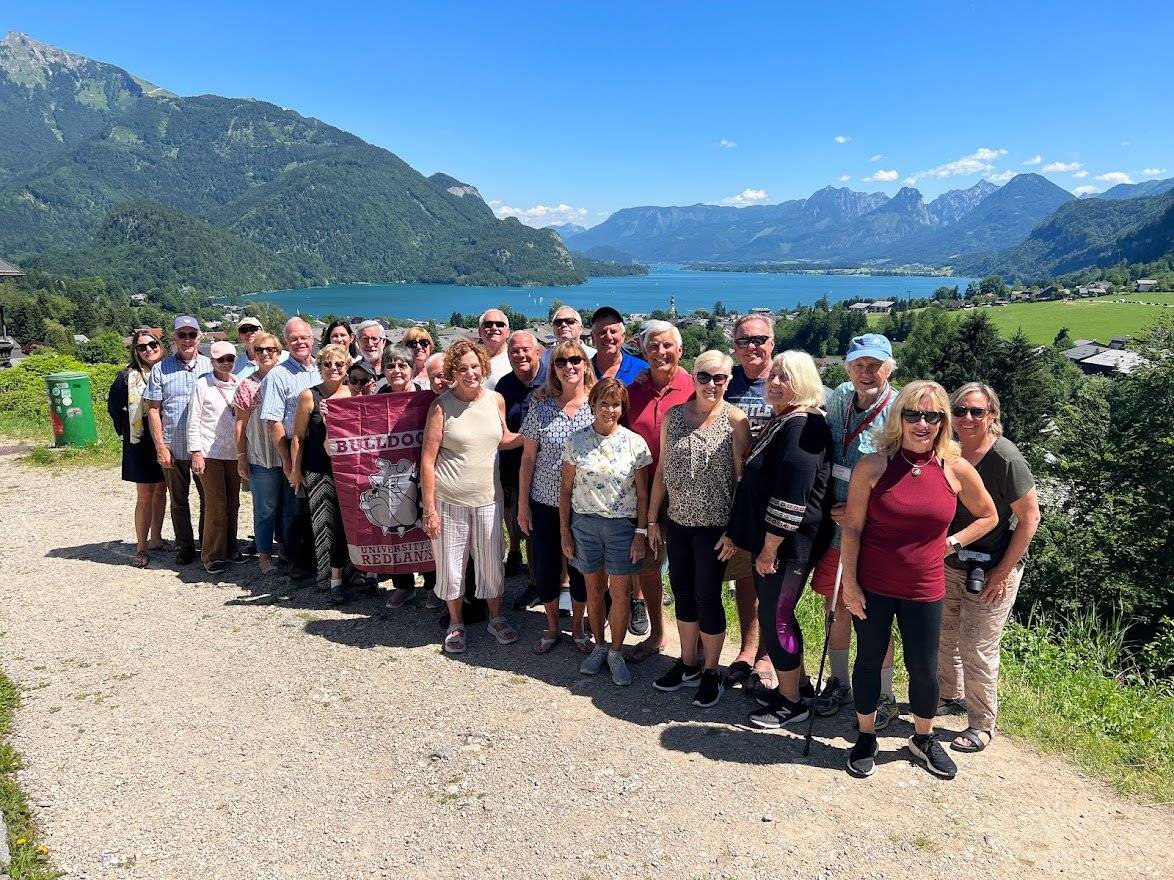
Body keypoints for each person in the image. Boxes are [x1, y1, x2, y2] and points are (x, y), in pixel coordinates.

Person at [839, 380, 997, 780]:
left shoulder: (954, 468)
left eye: (932, 416)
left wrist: (953, 543)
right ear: (900, 417)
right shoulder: (873, 465)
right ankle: (866, 736)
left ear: (943, 422)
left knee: (924, 668)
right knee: (869, 660)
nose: (922, 424)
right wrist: (849, 584)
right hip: (873, 584)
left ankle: (923, 738)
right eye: (914, 414)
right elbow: (852, 529)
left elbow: (989, 515)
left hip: (925, 588)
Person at [719, 351, 833, 727]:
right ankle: (797, 685)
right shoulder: (786, 419)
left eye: (786, 376)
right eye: (774, 376)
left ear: (804, 382)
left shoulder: (803, 425)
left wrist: (769, 548)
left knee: (775, 618)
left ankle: (790, 702)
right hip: (779, 542)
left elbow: (792, 494)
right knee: (777, 615)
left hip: (788, 545)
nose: (776, 382)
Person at [938, 383, 1040, 754]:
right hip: (951, 559)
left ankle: (982, 724)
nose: (967, 418)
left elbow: (1030, 518)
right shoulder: (947, 451)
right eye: (960, 410)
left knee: (976, 645)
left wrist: (1003, 571)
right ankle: (947, 695)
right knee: (944, 634)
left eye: (977, 412)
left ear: (992, 415)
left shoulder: (1005, 458)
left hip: (994, 566)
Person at [647, 350, 751, 707]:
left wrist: (734, 531)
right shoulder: (674, 416)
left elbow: (742, 482)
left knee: (707, 596)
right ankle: (688, 662)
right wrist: (651, 519)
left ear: (728, 381)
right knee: (682, 592)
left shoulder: (735, 420)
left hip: (715, 527)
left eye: (719, 378)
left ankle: (710, 670)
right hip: (677, 522)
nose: (711, 384)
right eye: (704, 376)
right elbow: (662, 470)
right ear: (693, 377)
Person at [813, 333, 901, 726]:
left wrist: (859, 508)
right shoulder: (840, 399)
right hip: (833, 530)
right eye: (859, 365)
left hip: (874, 534)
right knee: (835, 607)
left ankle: (884, 695)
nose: (867, 372)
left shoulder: (900, 410)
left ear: (889, 368)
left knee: (872, 615)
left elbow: (905, 476)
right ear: (848, 368)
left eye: (875, 365)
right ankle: (839, 683)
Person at [420, 340, 519, 654]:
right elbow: (427, 460)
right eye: (462, 368)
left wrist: (533, 437)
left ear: (483, 367)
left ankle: (496, 618)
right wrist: (429, 509)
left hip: (489, 499)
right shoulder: (441, 406)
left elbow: (502, 438)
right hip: (449, 501)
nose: (470, 373)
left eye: (475, 366)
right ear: (453, 372)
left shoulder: (495, 400)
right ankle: (455, 623)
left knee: (491, 563)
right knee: (451, 566)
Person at [561, 378, 652, 686]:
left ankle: (616, 652)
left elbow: (643, 494)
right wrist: (565, 532)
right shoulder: (576, 441)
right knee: (594, 589)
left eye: (615, 404)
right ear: (593, 405)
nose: (609, 410)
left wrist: (640, 533)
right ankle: (599, 645)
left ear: (622, 408)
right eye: (603, 403)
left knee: (621, 592)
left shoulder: (635, 444)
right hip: (584, 524)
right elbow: (565, 490)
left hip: (622, 527)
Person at [621, 319, 695, 661]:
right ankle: (658, 635)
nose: (661, 352)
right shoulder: (632, 391)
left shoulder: (694, 387)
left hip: (686, 492)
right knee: (649, 566)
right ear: (643, 351)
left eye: (667, 345)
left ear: (680, 350)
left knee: (687, 569)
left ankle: (694, 643)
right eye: (653, 346)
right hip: (643, 491)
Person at [518, 339, 596, 655]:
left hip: (585, 504)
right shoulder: (541, 407)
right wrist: (523, 504)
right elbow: (527, 459)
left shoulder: (598, 405)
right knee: (547, 567)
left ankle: (577, 627)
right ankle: (552, 627)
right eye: (561, 362)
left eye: (575, 360)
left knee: (580, 569)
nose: (569, 367)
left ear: (585, 365)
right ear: (553, 369)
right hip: (545, 502)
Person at [721, 314, 777, 691]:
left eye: (759, 339)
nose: (752, 346)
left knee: (772, 575)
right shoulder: (726, 382)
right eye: (744, 341)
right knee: (744, 575)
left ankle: (768, 656)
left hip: (776, 497)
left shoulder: (786, 380)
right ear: (735, 347)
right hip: (737, 496)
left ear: (772, 343)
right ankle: (747, 648)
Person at [144, 316, 212, 566]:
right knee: (178, 501)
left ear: (199, 337)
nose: (187, 340)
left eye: (191, 334)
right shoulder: (161, 369)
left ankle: (207, 543)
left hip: (204, 447)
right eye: (182, 335)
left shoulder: (211, 365)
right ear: (174, 338)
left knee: (209, 499)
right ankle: (185, 546)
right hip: (173, 445)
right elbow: (154, 410)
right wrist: (161, 447)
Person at [379, 344, 440, 611]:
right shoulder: (377, 397)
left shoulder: (425, 397)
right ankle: (403, 585)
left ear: (413, 368)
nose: (396, 370)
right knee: (396, 527)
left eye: (402, 365)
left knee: (425, 527)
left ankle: (432, 585)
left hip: (422, 472)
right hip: (391, 474)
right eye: (390, 365)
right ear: (383, 370)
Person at [290, 344, 353, 601]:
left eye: (339, 364)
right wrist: (295, 471)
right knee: (324, 524)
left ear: (346, 367)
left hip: (349, 471)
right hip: (318, 469)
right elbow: (298, 436)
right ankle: (327, 577)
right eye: (327, 364)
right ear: (320, 367)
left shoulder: (354, 393)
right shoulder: (309, 396)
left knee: (349, 525)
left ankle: (353, 573)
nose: (333, 368)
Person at [260, 318, 321, 580]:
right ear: (286, 342)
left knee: (318, 505)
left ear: (312, 339)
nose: (300, 342)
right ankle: (298, 561)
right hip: (295, 447)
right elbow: (272, 421)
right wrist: (288, 461)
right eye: (294, 339)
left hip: (320, 447)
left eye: (304, 337)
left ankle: (320, 558)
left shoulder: (320, 369)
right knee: (295, 508)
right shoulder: (278, 375)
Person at [107, 328, 169, 568]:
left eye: (152, 344)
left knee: (161, 490)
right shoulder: (126, 377)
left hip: (166, 438)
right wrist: (128, 431)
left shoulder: (169, 371)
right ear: (135, 351)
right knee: (144, 495)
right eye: (141, 347)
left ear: (160, 345)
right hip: (140, 441)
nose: (148, 350)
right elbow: (114, 408)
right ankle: (141, 546)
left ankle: (157, 539)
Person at [495, 330, 548, 604]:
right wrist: (530, 438)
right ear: (508, 355)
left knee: (551, 531)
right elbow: (499, 433)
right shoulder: (503, 385)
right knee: (526, 527)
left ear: (538, 352)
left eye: (526, 349)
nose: (521, 355)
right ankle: (535, 584)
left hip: (550, 469)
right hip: (516, 468)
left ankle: (560, 587)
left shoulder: (553, 379)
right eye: (514, 351)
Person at [187, 341, 243, 574]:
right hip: (210, 453)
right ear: (212, 361)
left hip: (234, 453)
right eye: (221, 359)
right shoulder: (203, 384)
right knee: (216, 505)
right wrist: (196, 452)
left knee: (233, 504)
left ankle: (230, 548)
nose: (226, 363)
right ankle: (211, 555)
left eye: (230, 358)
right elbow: (193, 419)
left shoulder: (239, 383)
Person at [233, 332, 286, 575]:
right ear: (253, 354)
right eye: (260, 349)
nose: (265, 354)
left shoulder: (286, 379)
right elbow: (240, 424)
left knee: (289, 508)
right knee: (265, 509)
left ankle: (285, 550)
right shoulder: (247, 385)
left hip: (288, 454)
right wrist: (241, 456)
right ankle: (264, 555)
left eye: (270, 349)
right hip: (261, 455)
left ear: (278, 352)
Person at [590, 306, 647, 384]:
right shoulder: (582, 371)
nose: (609, 337)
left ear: (623, 336)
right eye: (602, 332)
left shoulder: (642, 369)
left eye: (613, 331)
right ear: (593, 338)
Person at [478, 309, 512, 389]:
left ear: (508, 332)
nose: (494, 328)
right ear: (479, 331)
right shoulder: (472, 359)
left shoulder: (515, 360)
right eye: (488, 324)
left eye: (500, 324)